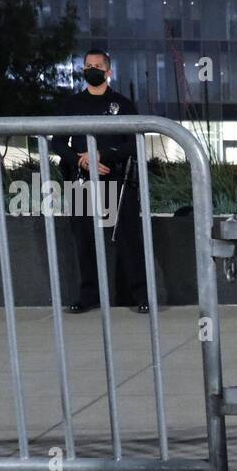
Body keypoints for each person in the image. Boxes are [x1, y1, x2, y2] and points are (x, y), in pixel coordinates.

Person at [53, 49, 150, 314]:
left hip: (117, 179)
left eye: (97, 65)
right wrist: (81, 160)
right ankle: (87, 296)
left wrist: (101, 155)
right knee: (84, 241)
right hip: (82, 179)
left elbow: (134, 142)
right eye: (87, 66)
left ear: (108, 71)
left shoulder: (122, 104)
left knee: (128, 240)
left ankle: (139, 296)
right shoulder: (72, 105)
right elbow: (58, 143)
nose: (91, 69)